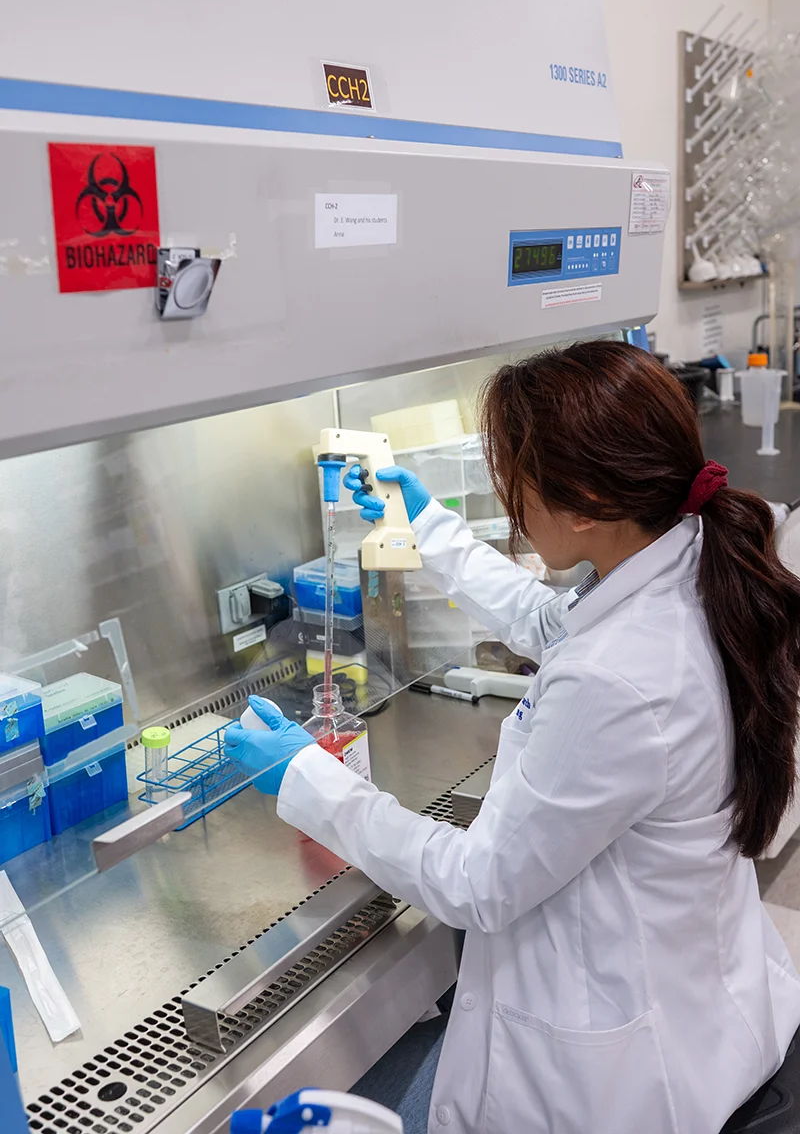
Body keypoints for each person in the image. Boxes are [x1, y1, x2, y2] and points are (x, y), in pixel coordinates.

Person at [225, 340, 800, 1134]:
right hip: (713, 1000)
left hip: (637, 1078)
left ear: (588, 503)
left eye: (515, 483)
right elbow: (548, 621)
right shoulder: (684, 552)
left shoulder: (619, 679)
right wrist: (424, 523)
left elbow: (478, 886)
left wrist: (307, 781)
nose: (511, 504)